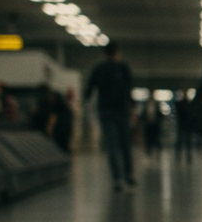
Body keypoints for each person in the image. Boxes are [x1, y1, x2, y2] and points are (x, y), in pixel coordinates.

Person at [84, 41, 136, 190]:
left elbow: (89, 89)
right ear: (117, 52)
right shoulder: (122, 68)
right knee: (125, 144)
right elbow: (128, 89)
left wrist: (85, 100)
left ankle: (118, 179)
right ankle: (128, 175)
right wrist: (132, 108)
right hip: (120, 111)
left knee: (113, 146)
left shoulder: (98, 69)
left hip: (106, 111)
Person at [32, 84, 74, 152]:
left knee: (62, 143)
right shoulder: (54, 99)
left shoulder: (55, 100)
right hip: (63, 123)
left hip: (63, 124)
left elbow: (53, 116)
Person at [174, 91, 194, 162]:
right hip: (184, 125)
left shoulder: (184, 104)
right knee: (183, 141)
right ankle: (181, 156)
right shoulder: (185, 104)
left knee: (185, 141)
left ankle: (182, 156)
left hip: (184, 125)